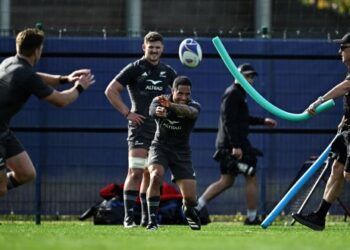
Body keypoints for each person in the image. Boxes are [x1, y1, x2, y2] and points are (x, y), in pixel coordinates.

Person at [0, 28, 95, 198]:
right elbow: (61, 101)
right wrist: (80, 86)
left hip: (3, 131)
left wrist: (65, 78)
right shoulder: (26, 75)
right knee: (0, 189)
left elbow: (35, 76)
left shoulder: (10, 62)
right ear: (37, 50)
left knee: (26, 173)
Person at [104, 31, 177, 228]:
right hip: (139, 127)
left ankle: (147, 219)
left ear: (163, 49)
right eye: (150, 47)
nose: (154, 51)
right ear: (143, 47)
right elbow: (110, 90)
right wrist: (128, 113)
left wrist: (170, 108)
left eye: (157, 48)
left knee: (152, 175)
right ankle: (128, 219)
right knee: (135, 171)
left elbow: (180, 95)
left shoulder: (168, 71)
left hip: (159, 130)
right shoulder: (135, 68)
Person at [196, 63, 277, 225]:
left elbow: (241, 119)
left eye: (252, 77)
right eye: (247, 76)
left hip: (232, 145)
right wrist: (235, 146)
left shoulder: (239, 94)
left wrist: (263, 121)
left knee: (227, 180)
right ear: (237, 76)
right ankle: (252, 217)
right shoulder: (233, 93)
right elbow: (228, 121)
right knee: (251, 175)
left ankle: (197, 207)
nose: (250, 80)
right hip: (232, 147)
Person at [292, 32, 350, 231]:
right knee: (337, 170)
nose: (339, 51)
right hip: (347, 131)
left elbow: (346, 88)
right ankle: (320, 216)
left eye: (343, 47)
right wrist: (344, 119)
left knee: (349, 174)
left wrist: (319, 101)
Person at [146, 76, 201, 230]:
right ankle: (152, 221)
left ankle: (188, 210)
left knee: (190, 198)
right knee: (156, 175)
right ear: (172, 90)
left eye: (187, 94)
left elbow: (190, 113)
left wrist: (170, 106)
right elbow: (152, 111)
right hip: (160, 147)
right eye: (180, 93)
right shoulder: (159, 100)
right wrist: (158, 111)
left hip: (182, 153)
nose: (184, 97)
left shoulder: (194, 106)